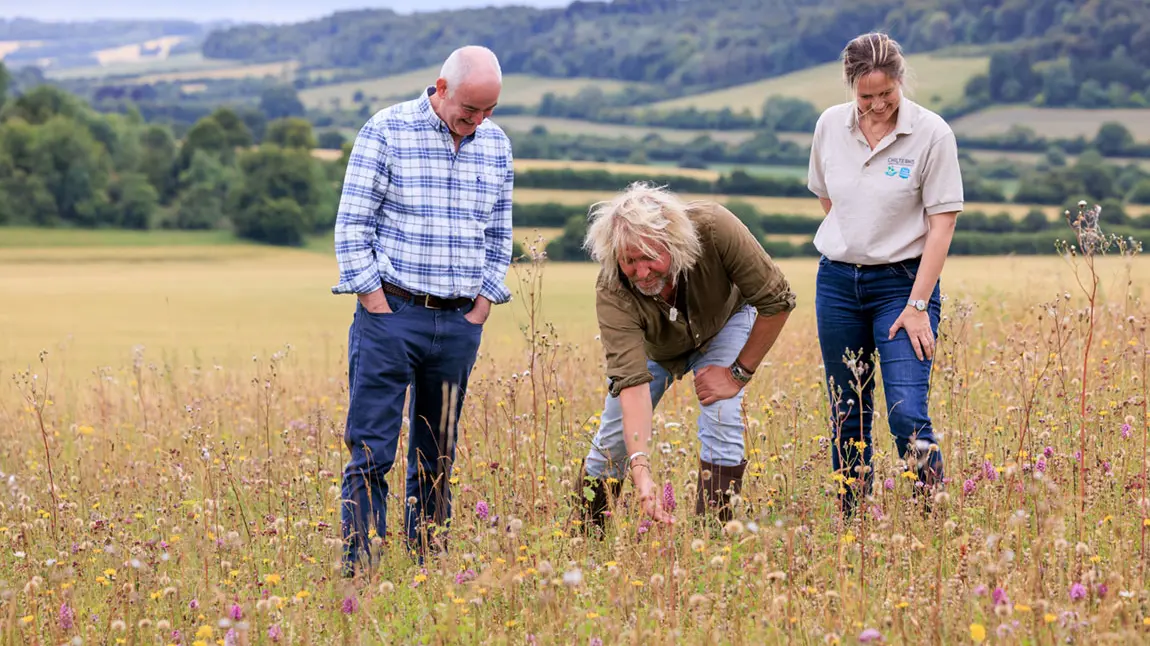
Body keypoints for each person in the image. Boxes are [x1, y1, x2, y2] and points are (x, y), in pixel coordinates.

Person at [331, 45, 514, 574]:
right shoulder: (386, 130)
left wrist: (482, 305)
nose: (477, 122)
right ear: (441, 88)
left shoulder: (497, 146)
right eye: (469, 110)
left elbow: (499, 233)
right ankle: (361, 569)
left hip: (459, 324)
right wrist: (374, 301)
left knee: (437, 458)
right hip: (392, 316)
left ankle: (427, 567)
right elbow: (352, 226)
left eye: (488, 111)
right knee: (371, 453)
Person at [572, 182, 796, 533]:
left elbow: (777, 301)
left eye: (649, 257)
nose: (641, 272)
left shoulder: (714, 228)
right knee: (613, 440)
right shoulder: (613, 289)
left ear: (674, 245)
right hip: (656, 348)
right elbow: (630, 382)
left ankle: (716, 535)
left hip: (724, 321)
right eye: (630, 260)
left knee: (722, 415)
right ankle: (584, 537)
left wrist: (737, 374)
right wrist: (641, 472)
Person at [806, 32, 964, 518]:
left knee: (906, 411)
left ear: (900, 80)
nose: (876, 106)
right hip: (837, 284)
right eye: (865, 96)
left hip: (903, 284)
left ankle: (932, 517)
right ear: (851, 86)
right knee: (846, 410)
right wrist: (856, 239)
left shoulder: (932, 134)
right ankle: (853, 518)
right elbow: (827, 198)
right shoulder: (830, 125)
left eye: (886, 94)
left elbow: (942, 225)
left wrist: (918, 306)